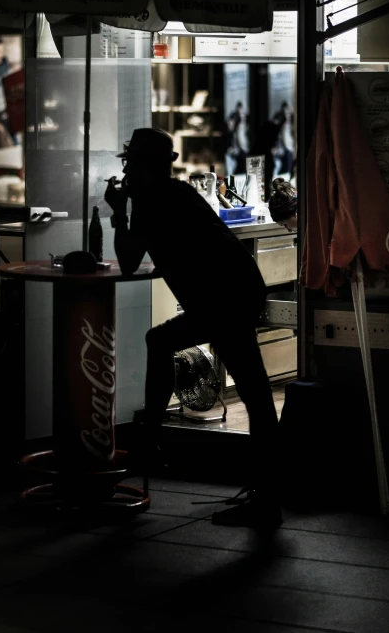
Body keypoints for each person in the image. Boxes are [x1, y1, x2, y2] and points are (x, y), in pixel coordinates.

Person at [104, 128, 282, 531]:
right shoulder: (172, 193)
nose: (126, 170)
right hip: (233, 293)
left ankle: (267, 499)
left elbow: (129, 260)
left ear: (142, 165)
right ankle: (151, 439)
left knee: (254, 393)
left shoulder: (152, 201)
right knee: (166, 342)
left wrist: (118, 212)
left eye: (130, 162)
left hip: (224, 300)